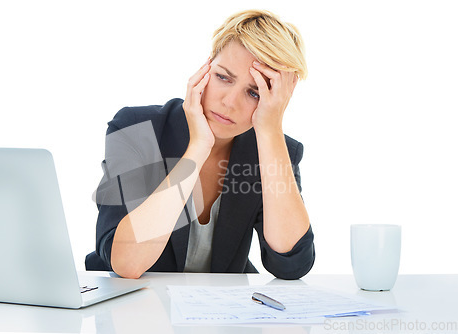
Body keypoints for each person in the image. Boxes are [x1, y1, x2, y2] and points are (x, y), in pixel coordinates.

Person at [86, 9, 315, 280]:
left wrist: (271, 131)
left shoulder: (274, 150)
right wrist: (197, 149)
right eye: (223, 77)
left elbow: (290, 265)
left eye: (254, 92)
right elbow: (127, 263)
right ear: (206, 67)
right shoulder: (136, 128)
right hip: (130, 310)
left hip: (218, 316)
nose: (230, 102)